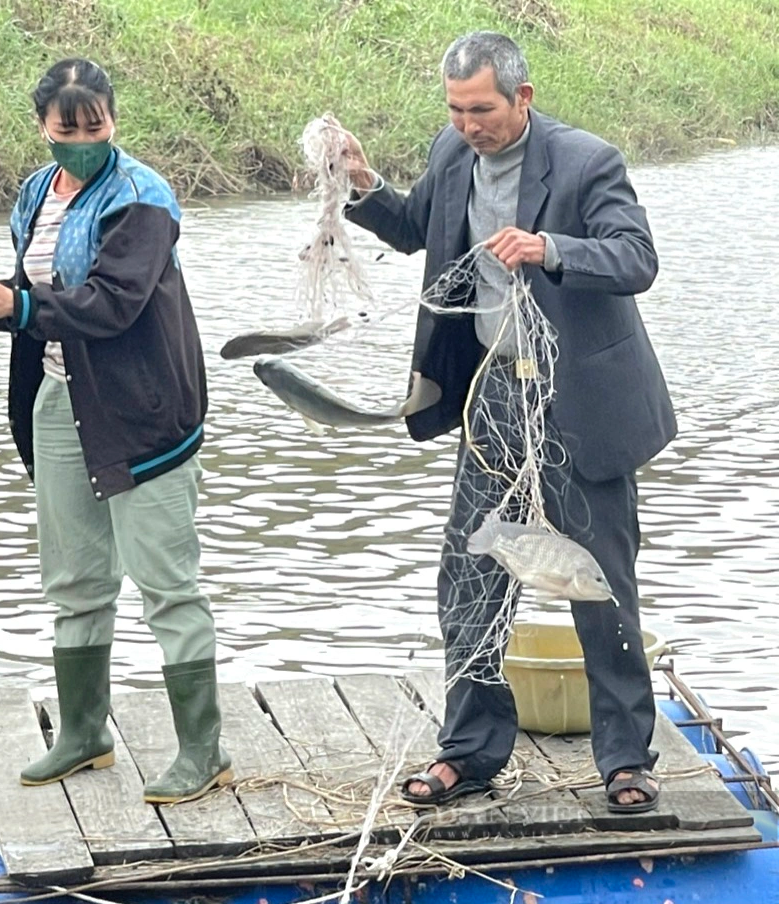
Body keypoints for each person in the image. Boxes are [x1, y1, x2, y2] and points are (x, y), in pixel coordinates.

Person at [340, 32, 676, 812]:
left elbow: (636, 259)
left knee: (600, 584)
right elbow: (415, 227)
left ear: (522, 98)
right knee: (471, 572)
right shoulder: (453, 152)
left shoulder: (589, 161)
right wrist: (363, 185)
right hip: (493, 395)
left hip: (581, 399)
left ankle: (625, 760)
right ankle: (469, 750)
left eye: (482, 110)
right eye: (456, 110)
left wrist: (551, 247)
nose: (468, 125)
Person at [0, 58, 232, 804]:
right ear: (43, 127)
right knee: (75, 579)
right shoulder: (36, 191)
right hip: (60, 400)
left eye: (97, 126)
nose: (83, 140)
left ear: (114, 121)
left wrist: (16, 305)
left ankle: (203, 750)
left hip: (144, 411)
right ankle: (84, 733)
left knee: (168, 584)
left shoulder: (142, 198)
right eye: (68, 129)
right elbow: (37, 289)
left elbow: (112, 304)